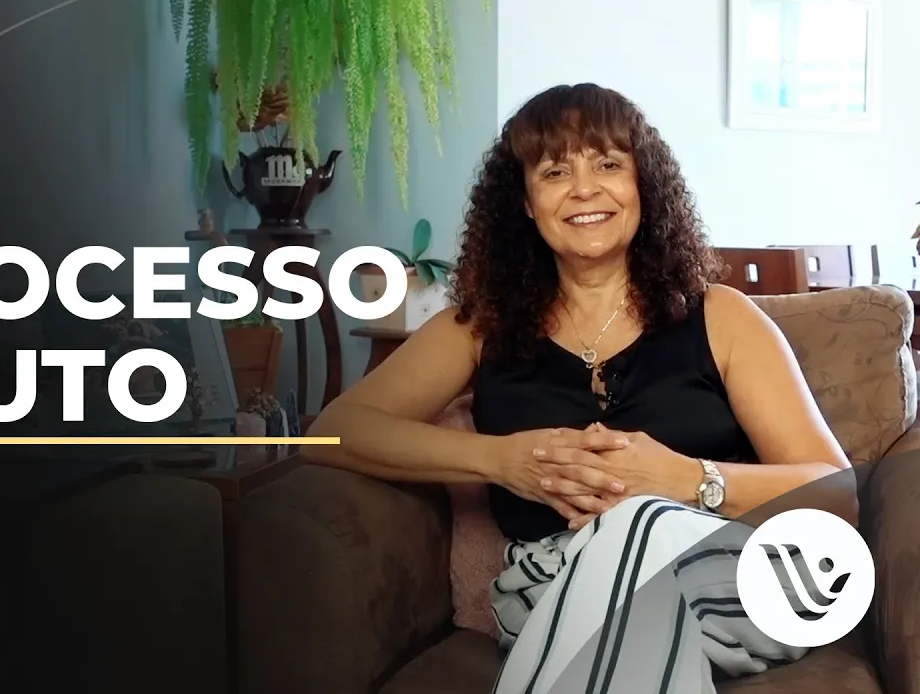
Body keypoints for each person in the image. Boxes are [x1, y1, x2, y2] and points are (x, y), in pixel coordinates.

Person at [302, 83, 857, 693]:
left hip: (744, 574)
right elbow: (334, 431)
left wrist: (686, 480)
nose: (584, 189)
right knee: (624, 600)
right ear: (525, 201)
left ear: (643, 185)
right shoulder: (479, 329)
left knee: (638, 526)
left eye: (609, 165)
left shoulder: (723, 317)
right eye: (555, 171)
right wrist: (501, 460)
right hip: (552, 581)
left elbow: (837, 493)